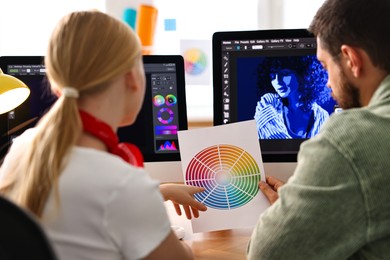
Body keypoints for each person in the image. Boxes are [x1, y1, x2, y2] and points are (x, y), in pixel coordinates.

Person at [0, 11, 207, 260]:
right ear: (132, 78)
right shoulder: (123, 185)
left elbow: (79, 205)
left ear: (56, 83)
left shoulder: (22, 149)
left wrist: (156, 193)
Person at [247, 0, 390, 258]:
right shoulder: (267, 107)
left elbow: (266, 254)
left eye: (325, 66)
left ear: (351, 59)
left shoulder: (347, 141)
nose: (327, 84)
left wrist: (292, 220)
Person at [254, 55, 331, 139]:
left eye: (284, 74)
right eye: (273, 76)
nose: (277, 81)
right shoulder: (268, 103)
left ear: (303, 75)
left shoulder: (322, 115)